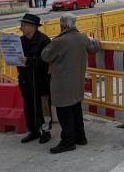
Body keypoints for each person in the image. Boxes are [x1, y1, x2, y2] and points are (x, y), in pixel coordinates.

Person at [42, 13, 100, 154]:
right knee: (76, 109)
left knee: (64, 112)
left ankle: (68, 141)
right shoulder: (82, 37)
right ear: (74, 24)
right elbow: (93, 48)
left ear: (61, 25)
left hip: (62, 83)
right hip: (78, 81)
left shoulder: (58, 41)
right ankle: (81, 137)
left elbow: (45, 56)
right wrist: (96, 41)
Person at [18, 13, 52, 144]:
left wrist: (29, 60)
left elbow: (46, 61)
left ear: (33, 27)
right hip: (26, 80)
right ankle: (33, 131)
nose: (21, 27)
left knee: (43, 108)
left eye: (24, 25)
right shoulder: (20, 41)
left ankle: (45, 131)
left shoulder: (44, 40)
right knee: (28, 108)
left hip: (40, 80)